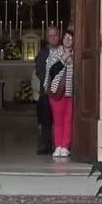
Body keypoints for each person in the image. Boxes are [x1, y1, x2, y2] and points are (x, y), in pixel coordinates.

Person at [45, 27, 75, 157]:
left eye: (70, 38)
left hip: (70, 92)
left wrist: (72, 59)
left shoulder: (77, 54)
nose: (68, 40)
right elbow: (52, 70)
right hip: (57, 91)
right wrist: (64, 58)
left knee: (68, 120)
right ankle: (58, 146)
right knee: (58, 120)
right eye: (66, 38)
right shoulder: (56, 52)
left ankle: (65, 146)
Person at [34, 26, 60, 155]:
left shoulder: (63, 50)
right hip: (46, 90)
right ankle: (46, 144)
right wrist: (49, 81)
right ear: (47, 38)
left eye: (55, 35)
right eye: (50, 36)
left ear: (59, 36)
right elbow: (39, 70)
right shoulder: (43, 53)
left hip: (61, 89)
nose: (53, 38)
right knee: (46, 118)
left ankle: (61, 145)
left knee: (61, 119)